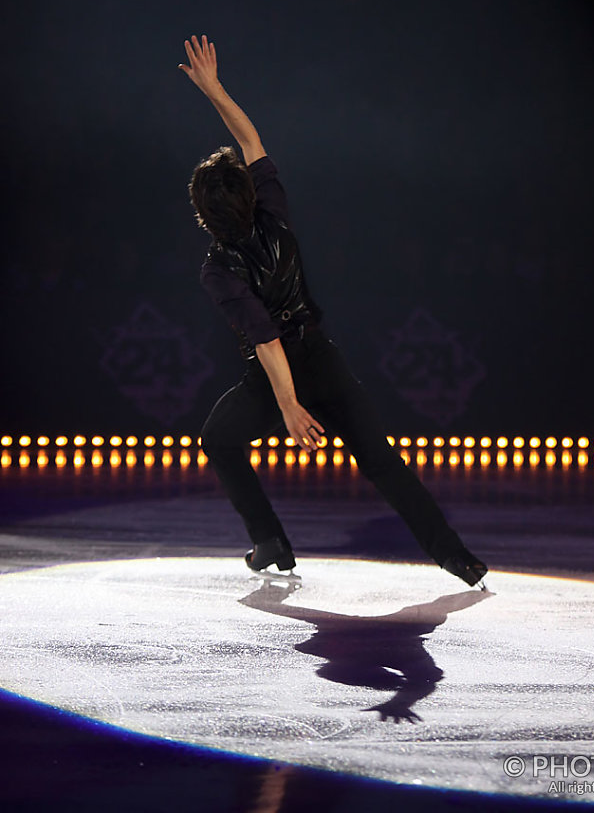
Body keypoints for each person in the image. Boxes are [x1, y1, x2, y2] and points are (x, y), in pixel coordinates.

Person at [180, 34, 488, 587]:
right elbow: (250, 139)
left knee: (220, 439)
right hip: (320, 359)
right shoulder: (273, 211)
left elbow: (265, 337)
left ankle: (269, 539)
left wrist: (291, 407)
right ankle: (456, 557)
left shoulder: (216, 269)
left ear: (205, 215)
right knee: (380, 462)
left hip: (280, 372)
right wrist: (214, 89)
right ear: (247, 195)